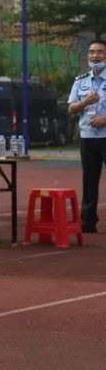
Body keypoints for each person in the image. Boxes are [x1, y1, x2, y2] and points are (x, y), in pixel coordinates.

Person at [68, 39, 106, 233]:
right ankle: (88, 221)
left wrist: (104, 119)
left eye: (99, 52)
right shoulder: (80, 80)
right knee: (89, 179)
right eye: (91, 52)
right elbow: (71, 108)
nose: (95, 56)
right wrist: (85, 102)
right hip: (88, 137)